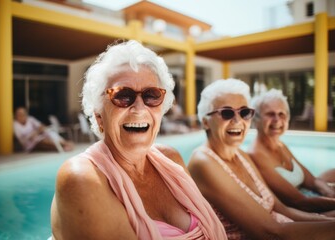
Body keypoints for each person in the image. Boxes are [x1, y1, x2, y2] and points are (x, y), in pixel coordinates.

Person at [49, 40, 227, 240]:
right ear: (99, 115)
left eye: (151, 95)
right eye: (123, 96)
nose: (140, 109)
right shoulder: (82, 178)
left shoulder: (171, 159)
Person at [188, 79, 335, 240]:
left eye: (244, 113)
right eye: (227, 113)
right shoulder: (203, 162)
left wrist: (327, 221)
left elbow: (282, 209)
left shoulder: (241, 156)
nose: (238, 121)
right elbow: (270, 232)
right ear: (205, 122)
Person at [248, 89, 335, 215]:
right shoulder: (256, 154)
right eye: (270, 114)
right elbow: (299, 202)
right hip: (302, 212)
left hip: (312, 199)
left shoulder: (280, 145)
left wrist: (329, 193)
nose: (277, 120)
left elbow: (311, 180)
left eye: (282, 114)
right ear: (256, 120)